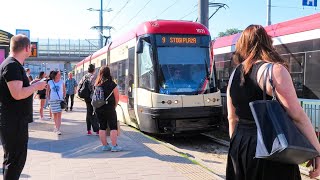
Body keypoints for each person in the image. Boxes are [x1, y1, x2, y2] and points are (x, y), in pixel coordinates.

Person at [226, 25, 320, 180]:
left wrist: (238, 147)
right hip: (271, 147)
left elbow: (232, 118)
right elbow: (297, 116)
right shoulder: (273, 71)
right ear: (268, 43)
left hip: (240, 145)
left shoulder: (234, 74)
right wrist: (317, 150)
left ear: (242, 45)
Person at [0, 34, 47, 180]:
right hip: (14, 122)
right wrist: (37, 86)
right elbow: (18, 94)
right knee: (15, 161)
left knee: (12, 160)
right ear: (27, 48)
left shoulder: (11, 64)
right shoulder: (12, 65)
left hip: (14, 121)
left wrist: (33, 85)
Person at [94, 66, 121, 152]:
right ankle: (114, 146)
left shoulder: (97, 84)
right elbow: (117, 98)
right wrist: (114, 106)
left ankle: (105, 146)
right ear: (109, 73)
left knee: (102, 127)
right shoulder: (112, 84)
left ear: (100, 73)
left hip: (99, 108)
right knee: (113, 127)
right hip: (109, 108)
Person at [78, 64, 99, 135]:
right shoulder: (94, 77)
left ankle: (89, 130)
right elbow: (95, 87)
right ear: (94, 70)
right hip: (92, 97)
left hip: (86, 97)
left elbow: (79, 85)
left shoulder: (84, 76)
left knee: (89, 112)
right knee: (93, 113)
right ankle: (96, 130)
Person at [47, 70, 66, 135]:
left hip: (60, 100)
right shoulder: (50, 82)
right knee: (54, 115)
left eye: (60, 74)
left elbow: (64, 91)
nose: (60, 75)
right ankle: (56, 126)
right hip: (52, 100)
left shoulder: (61, 82)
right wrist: (48, 99)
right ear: (55, 75)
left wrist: (63, 98)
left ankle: (58, 129)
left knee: (59, 115)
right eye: (59, 74)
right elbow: (47, 91)